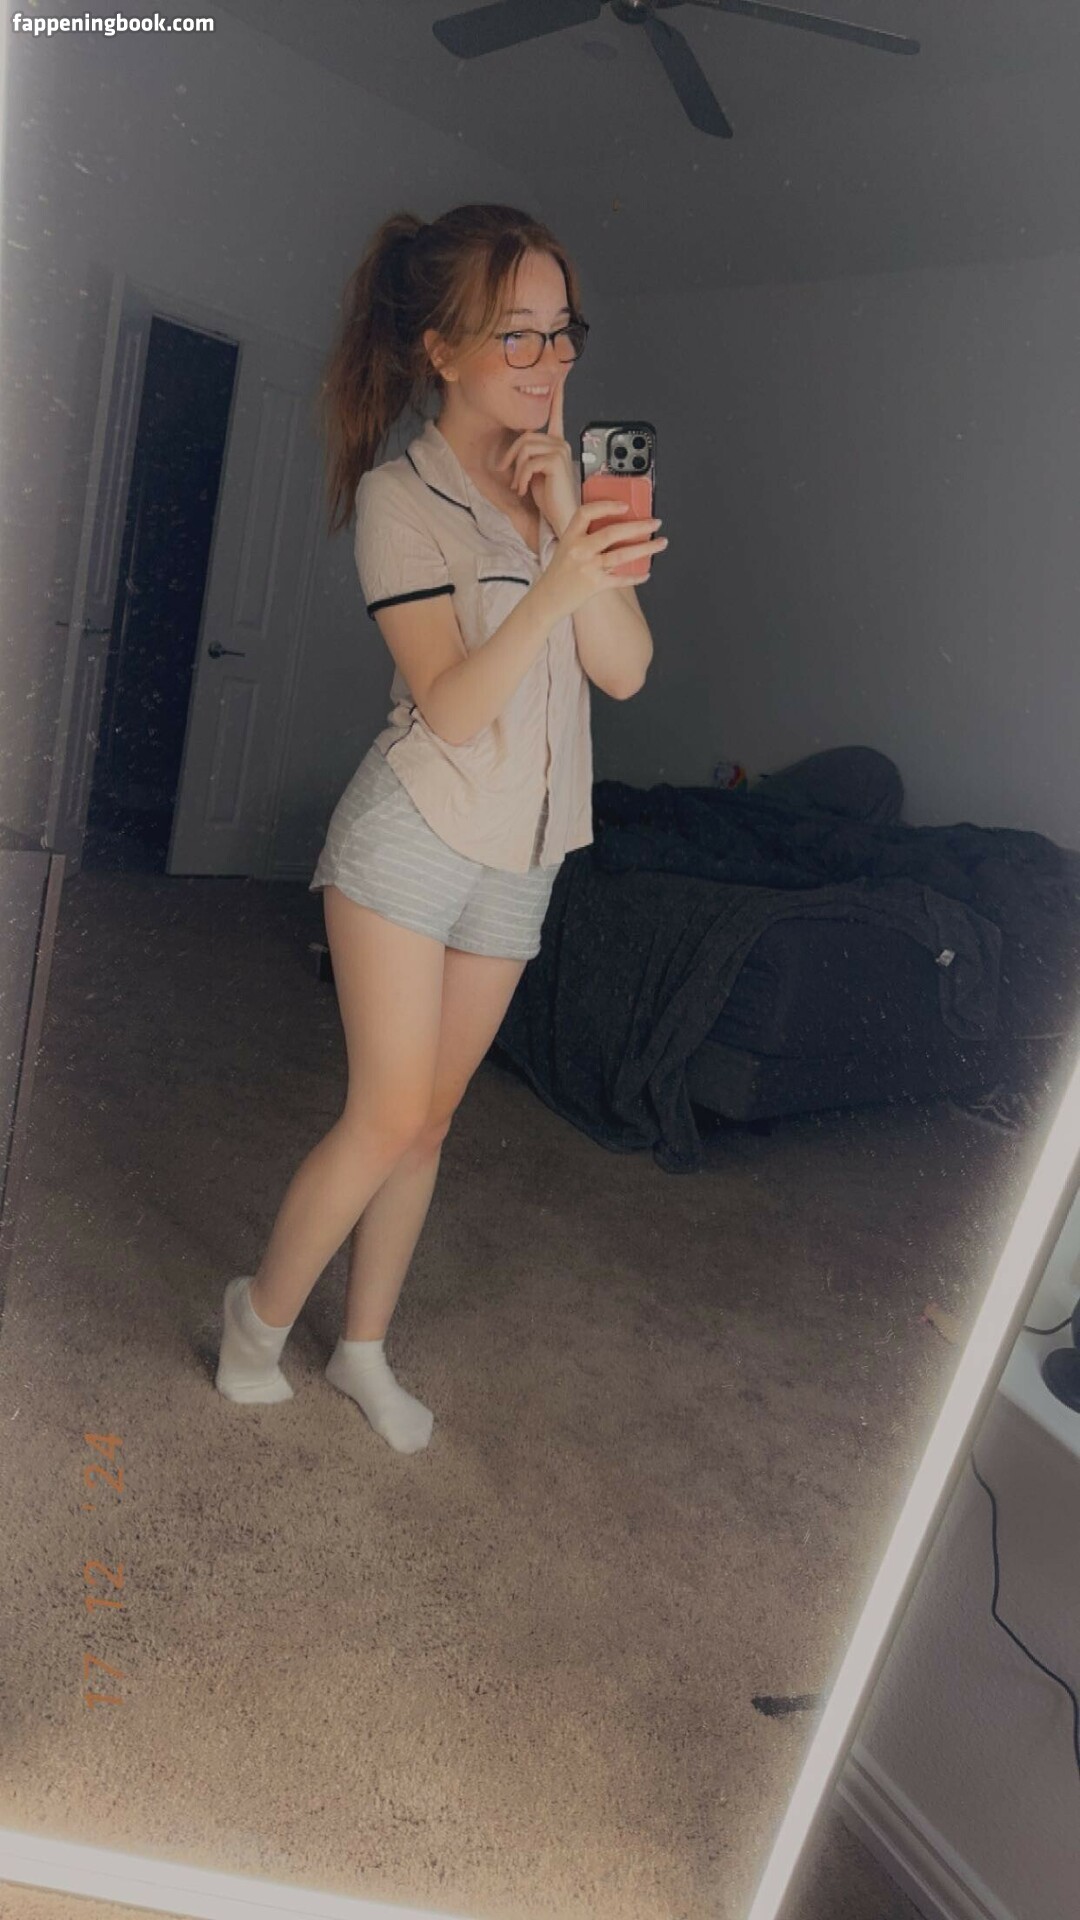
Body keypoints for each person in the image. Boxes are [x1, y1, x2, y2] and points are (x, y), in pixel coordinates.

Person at [214, 202, 669, 1450]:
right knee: (383, 1112)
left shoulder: (565, 488)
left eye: (562, 331)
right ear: (442, 349)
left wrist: (571, 518)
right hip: (411, 835)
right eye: (517, 333)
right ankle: (256, 1319)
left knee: (431, 1122)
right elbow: (454, 710)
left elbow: (625, 670)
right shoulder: (396, 499)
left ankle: (361, 1347)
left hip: (527, 851)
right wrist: (555, 586)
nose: (550, 359)